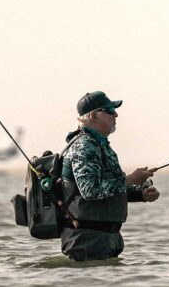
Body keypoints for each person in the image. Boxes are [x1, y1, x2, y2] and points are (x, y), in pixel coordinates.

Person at [59, 91, 160, 261]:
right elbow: (90, 190)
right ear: (93, 116)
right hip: (86, 243)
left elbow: (108, 189)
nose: (115, 114)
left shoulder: (101, 146)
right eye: (109, 110)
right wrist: (131, 179)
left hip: (106, 241)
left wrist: (141, 195)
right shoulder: (84, 146)